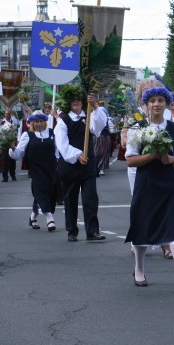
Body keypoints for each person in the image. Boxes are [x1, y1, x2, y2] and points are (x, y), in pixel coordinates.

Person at [125, 87, 174, 290]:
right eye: (153, 101)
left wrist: (169, 158)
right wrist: (151, 157)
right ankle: (139, 269)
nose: (157, 104)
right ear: (146, 104)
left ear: (166, 104)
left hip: (168, 183)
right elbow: (130, 160)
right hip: (146, 182)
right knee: (142, 224)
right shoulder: (138, 127)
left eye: (161, 100)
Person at [54, 85, 107, 242]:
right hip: (70, 165)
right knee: (70, 199)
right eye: (73, 100)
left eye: (79, 100)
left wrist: (96, 107)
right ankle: (72, 230)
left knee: (90, 198)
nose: (76, 102)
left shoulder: (89, 117)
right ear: (68, 103)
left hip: (88, 164)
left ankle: (92, 231)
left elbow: (98, 128)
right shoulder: (63, 121)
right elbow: (62, 144)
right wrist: (77, 155)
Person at [10, 111, 59, 232]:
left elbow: (58, 150)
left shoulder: (53, 133)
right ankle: (49, 218)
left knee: (50, 193)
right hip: (36, 169)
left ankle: (33, 217)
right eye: (36, 122)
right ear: (32, 123)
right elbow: (19, 153)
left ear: (45, 122)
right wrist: (12, 148)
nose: (39, 124)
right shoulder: (27, 135)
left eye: (41, 121)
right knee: (40, 191)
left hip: (51, 168)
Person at [0, 109, 19, 182]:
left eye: (8, 113)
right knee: (4, 160)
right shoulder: (2, 122)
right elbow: (0, 132)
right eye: (6, 113)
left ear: (10, 114)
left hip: (12, 142)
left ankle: (13, 174)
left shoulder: (14, 121)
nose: (7, 115)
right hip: (4, 142)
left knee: (12, 159)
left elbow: (16, 131)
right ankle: (5, 177)